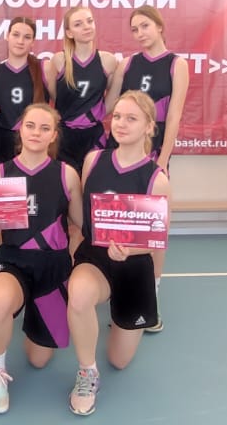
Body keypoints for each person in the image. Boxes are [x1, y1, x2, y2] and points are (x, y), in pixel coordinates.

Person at [0, 103, 82, 414]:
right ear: (20, 129)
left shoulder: (67, 175)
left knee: (38, 359)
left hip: (53, 266)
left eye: (45, 128)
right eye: (30, 125)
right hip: (13, 261)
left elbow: (81, 225)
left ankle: (33, 316)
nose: (36, 132)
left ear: (53, 136)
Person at [65, 91, 171, 417]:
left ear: (149, 126)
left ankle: (119, 317)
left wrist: (131, 249)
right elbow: (82, 217)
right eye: (118, 117)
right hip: (95, 258)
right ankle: (87, 372)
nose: (121, 124)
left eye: (131, 118)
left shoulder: (157, 179)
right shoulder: (93, 160)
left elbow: (157, 238)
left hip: (133, 265)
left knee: (119, 361)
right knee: (78, 295)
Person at [102, 5, 189, 333]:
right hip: (124, 155)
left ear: (159, 26)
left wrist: (163, 159)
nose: (140, 33)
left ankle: (152, 296)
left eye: (145, 26)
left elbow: (175, 114)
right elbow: (110, 105)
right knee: (123, 224)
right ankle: (121, 295)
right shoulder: (128, 64)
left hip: (153, 156)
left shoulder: (176, 64)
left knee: (154, 229)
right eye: (135, 29)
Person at [50, 6, 120, 173]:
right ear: (69, 33)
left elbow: (111, 100)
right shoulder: (59, 61)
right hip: (64, 136)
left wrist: (94, 116)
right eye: (78, 24)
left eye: (89, 21)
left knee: (93, 182)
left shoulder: (108, 61)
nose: (86, 27)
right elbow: (55, 98)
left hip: (94, 135)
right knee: (66, 184)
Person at [0, 17, 54, 170]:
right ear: (7, 36)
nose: (20, 41)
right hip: (0, 142)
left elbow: (60, 104)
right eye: (16, 35)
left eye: (27, 37)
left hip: (33, 141)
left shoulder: (44, 68)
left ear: (33, 42)